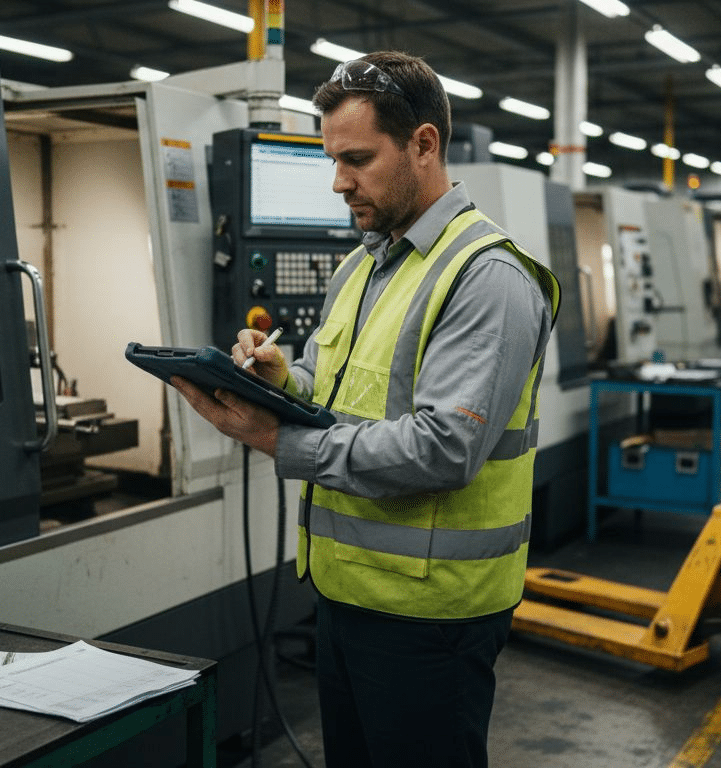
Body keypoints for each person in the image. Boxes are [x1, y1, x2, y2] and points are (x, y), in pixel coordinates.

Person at [171, 51, 559, 768]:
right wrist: (285, 382)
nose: (338, 181)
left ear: (424, 144)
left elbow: (445, 449)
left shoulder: (487, 277)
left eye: (356, 158)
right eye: (333, 159)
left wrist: (276, 440)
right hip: (349, 596)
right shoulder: (365, 263)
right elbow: (340, 390)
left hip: (432, 614)